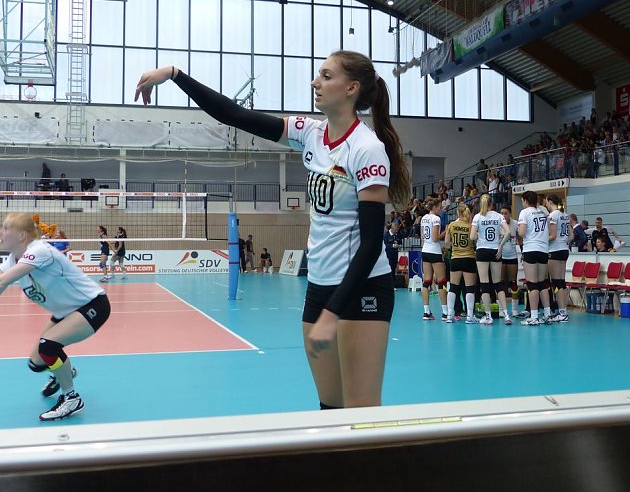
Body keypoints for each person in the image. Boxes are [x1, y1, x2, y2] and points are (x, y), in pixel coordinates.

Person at [135, 50, 409, 410]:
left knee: (361, 407)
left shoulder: (367, 149)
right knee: (330, 406)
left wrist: (333, 312)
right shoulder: (310, 132)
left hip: (361, 288)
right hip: (320, 287)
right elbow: (235, 115)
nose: (315, 82)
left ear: (351, 88)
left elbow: (372, 242)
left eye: (326, 76)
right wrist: (174, 74)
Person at [0, 213, 111, 421]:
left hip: (92, 305)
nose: (0, 232)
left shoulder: (39, 251)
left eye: (6, 228)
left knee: (48, 346)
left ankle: (71, 398)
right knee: (36, 363)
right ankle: (64, 371)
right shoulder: (11, 261)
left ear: (21, 235)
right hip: (64, 313)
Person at [470, 194, 509, 326]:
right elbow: (508, 232)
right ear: (493, 204)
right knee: (498, 284)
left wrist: (479, 234)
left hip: (482, 251)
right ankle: (506, 315)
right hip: (495, 251)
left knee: (484, 283)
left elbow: (472, 237)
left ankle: (488, 316)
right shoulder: (499, 216)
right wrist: (500, 245)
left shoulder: (478, 217)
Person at [519, 190, 551, 326]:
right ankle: (548, 314)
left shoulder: (525, 213)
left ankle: (534, 316)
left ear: (526, 201)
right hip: (543, 250)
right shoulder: (542, 212)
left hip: (531, 249)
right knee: (542, 283)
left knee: (532, 284)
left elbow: (521, 232)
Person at [445, 203, 479, 324]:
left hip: (455, 258)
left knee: (453, 287)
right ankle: (470, 316)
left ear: (458, 213)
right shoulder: (471, 226)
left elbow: (447, 242)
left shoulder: (451, 225)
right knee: (470, 288)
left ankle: (450, 314)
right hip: (469, 258)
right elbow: (475, 240)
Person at [419, 199, 449, 321]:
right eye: (439, 207)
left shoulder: (423, 218)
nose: (441, 209)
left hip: (425, 250)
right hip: (434, 251)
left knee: (426, 281)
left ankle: (426, 312)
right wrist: (445, 231)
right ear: (435, 207)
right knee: (441, 281)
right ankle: (445, 313)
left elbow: (422, 236)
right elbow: (435, 238)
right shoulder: (436, 219)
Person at [545, 193, 570, 323]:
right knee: (561, 281)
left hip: (554, 250)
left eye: (546, 202)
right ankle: (563, 311)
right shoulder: (564, 214)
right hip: (564, 249)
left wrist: (541, 239)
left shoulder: (553, 215)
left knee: (556, 282)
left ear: (549, 201)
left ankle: (561, 312)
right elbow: (571, 236)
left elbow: (553, 235)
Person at [499, 205, 522, 322]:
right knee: (501, 283)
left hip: (512, 256)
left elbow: (520, 239)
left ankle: (514, 309)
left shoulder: (515, 224)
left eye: (506, 213)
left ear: (510, 214)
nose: (503, 215)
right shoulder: (498, 223)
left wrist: (522, 253)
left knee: (513, 283)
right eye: (502, 213)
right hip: (501, 257)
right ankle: (501, 309)